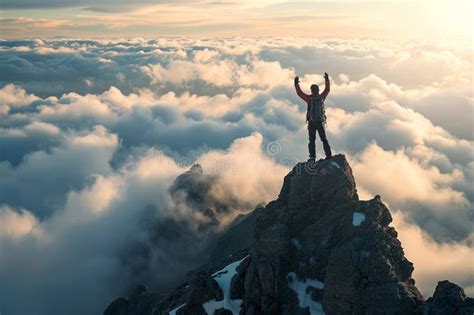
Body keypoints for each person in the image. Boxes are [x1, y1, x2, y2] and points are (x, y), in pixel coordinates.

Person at [294, 73, 332, 160]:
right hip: (320, 122)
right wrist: (327, 80)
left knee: (312, 140)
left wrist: (296, 84)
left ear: (311, 90)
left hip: (312, 122)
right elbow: (327, 90)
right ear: (318, 90)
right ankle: (329, 155)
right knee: (324, 139)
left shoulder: (309, 99)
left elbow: (299, 93)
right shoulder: (321, 97)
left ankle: (312, 157)